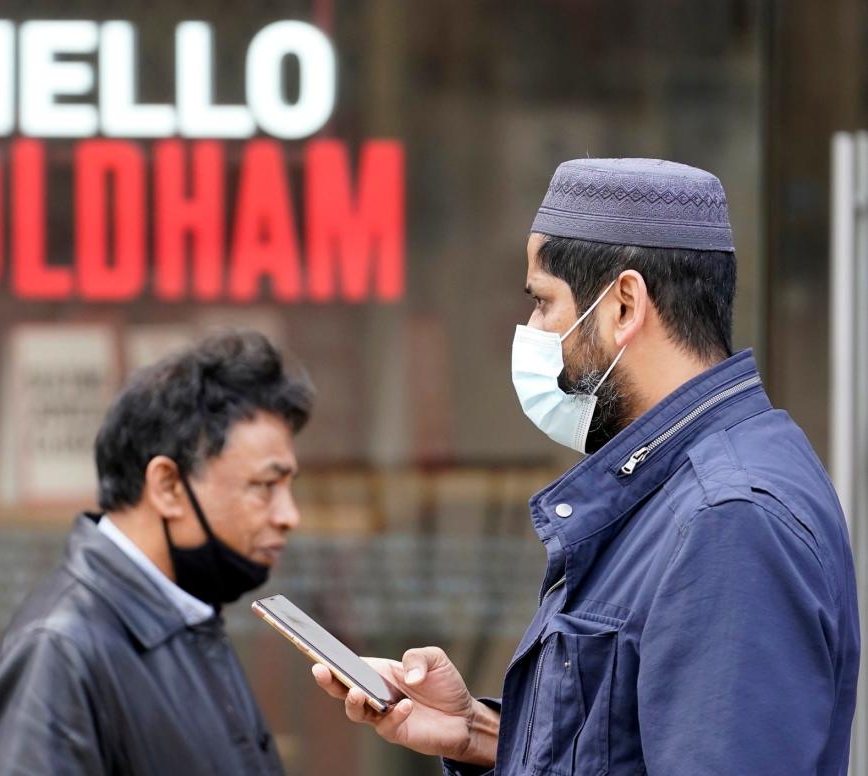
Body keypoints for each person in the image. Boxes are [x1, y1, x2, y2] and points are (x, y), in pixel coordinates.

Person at [312, 158, 860, 774]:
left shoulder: (729, 519)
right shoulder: (675, 493)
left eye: (544, 303)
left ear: (624, 304)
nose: (532, 330)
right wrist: (482, 735)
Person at [0, 331, 312, 775]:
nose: (289, 515)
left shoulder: (186, 614)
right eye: (265, 486)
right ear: (168, 486)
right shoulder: (59, 647)